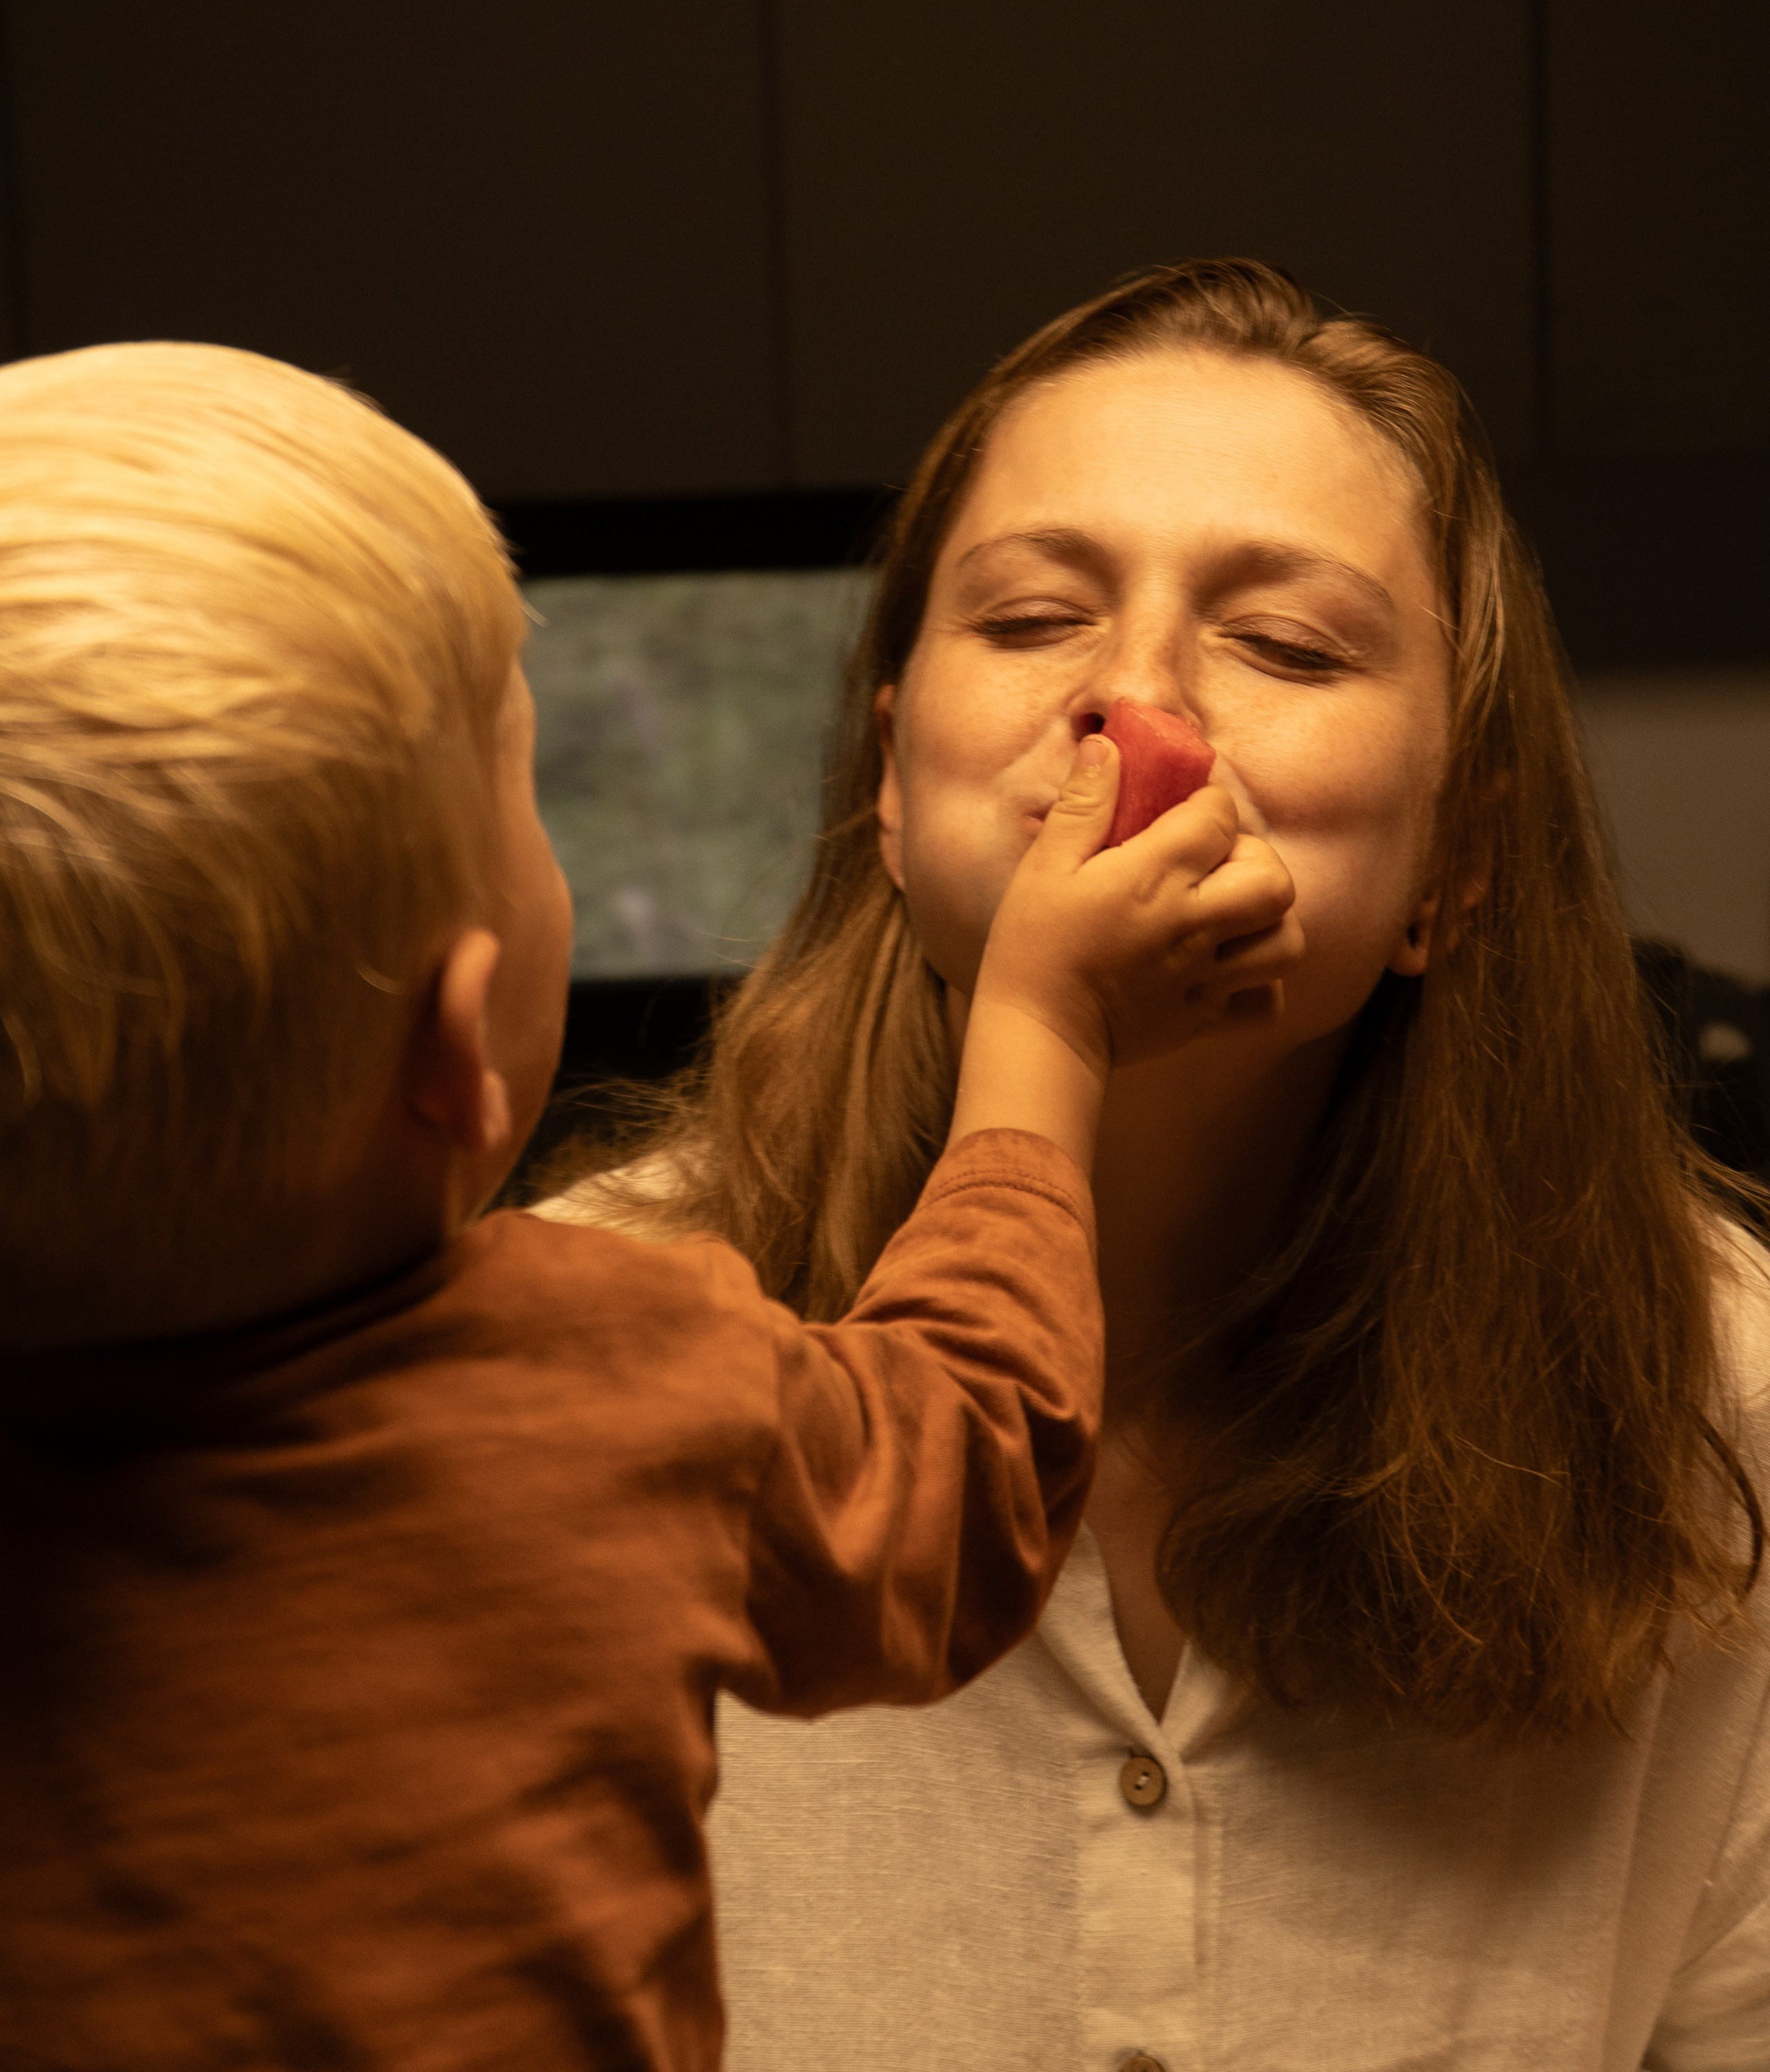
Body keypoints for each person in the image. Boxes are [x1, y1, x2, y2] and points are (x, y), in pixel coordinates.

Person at [0, 338, 1301, 2072]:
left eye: (1287, 644)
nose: (1131, 696)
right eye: (523, 801)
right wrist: (1043, 1023)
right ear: (460, 1052)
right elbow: (968, 1468)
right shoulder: (613, 1380)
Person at [543, 259, 1770, 2071]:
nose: (1135, 709)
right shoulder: (574, 1363)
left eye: (1287, 646)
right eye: (1034, 618)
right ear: (891, 784)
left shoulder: (1722, 1407)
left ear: (1461, 857)